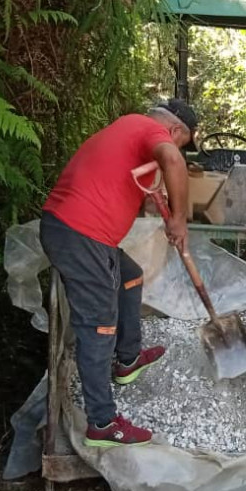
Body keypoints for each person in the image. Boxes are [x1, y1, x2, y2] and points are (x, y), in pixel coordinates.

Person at [40, 99, 198, 448]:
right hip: (80, 235)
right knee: (99, 325)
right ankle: (102, 422)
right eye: (182, 143)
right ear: (174, 131)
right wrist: (179, 219)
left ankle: (127, 359)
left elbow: (120, 181)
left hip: (81, 232)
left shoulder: (129, 128)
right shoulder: (153, 133)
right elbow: (172, 160)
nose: (176, 150)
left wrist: (156, 194)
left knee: (131, 276)